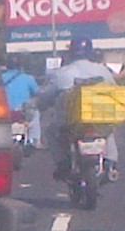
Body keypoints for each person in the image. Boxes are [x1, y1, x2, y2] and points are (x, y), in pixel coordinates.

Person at [39, 36, 119, 179]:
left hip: (70, 121)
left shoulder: (61, 73)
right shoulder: (103, 71)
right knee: (108, 130)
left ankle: (62, 163)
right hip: (98, 117)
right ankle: (111, 163)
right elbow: (114, 91)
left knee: (51, 131)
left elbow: (46, 96)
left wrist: (40, 105)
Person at [1, 60, 42, 153]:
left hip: (5, 111)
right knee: (35, 114)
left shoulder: (1, 78)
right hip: (23, 111)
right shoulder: (27, 78)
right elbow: (37, 93)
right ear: (21, 67)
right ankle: (36, 140)